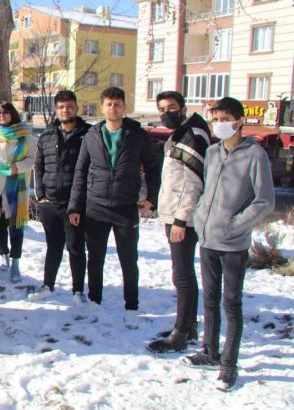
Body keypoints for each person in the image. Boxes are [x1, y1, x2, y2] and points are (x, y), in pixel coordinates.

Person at [183, 97, 274, 392]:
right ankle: (210, 351)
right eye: (215, 119)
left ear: (239, 121)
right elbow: (206, 190)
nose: (219, 124)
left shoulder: (255, 155)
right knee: (209, 299)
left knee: (231, 303)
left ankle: (229, 364)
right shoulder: (211, 152)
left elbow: (264, 201)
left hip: (233, 244)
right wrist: (199, 217)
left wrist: (235, 225)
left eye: (224, 118)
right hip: (208, 239)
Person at [67, 87, 161, 328]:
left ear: (124, 107)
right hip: (95, 206)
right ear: (102, 107)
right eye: (109, 104)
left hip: (125, 206)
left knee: (129, 259)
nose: (113, 108)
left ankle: (132, 305)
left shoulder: (137, 135)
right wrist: (75, 207)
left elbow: (152, 167)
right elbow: (80, 171)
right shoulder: (92, 135)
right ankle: (95, 300)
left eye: (118, 104)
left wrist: (152, 198)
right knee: (95, 258)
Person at [147, 91, 211, 353]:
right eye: (161, 109)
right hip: (175, 214)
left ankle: (181, 333)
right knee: (183, 273)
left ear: (183, 108)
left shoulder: (192, 136)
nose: (166, 113)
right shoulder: (182, 133)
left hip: (182, 218)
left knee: (182, 275)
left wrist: (180, 221)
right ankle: (188, 325)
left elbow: (192, 185)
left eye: (171, 107)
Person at [29, 90, 91, 303]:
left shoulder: (88, 134)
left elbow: (92, 169)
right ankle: (48, 285)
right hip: (50, 204)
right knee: (53, 247)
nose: (66, 110)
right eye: (62, 107)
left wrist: (82, 200)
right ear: (56, 110)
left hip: (75, 205)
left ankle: (78, 291)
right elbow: (38, 166)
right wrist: (40, 195)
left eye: (70, 106)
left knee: (75, 248)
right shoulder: (47, 135)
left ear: (76, 107)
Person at [0, 101, 37, 283]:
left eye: (5, 113)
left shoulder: (26, 135)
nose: (1, 116)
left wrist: (16, 167)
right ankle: (3, 254)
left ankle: (16, 262)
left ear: (12, 114)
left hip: (17, 185)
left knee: (16, 224)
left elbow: (31, 160)